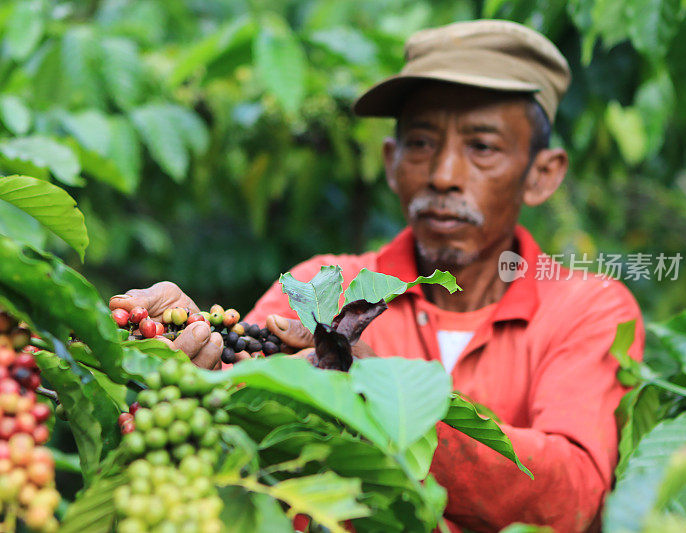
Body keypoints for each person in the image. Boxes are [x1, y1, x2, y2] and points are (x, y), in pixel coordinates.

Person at [110, 19, 645, 532]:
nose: (443, 175)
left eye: (481, 147)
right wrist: (189, 356)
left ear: (542, 174)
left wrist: (376, 397)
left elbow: (572, 499)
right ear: (390, 162)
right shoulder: (323, 285)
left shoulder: (588, 308)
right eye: (420, 143)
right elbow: (239, 401)